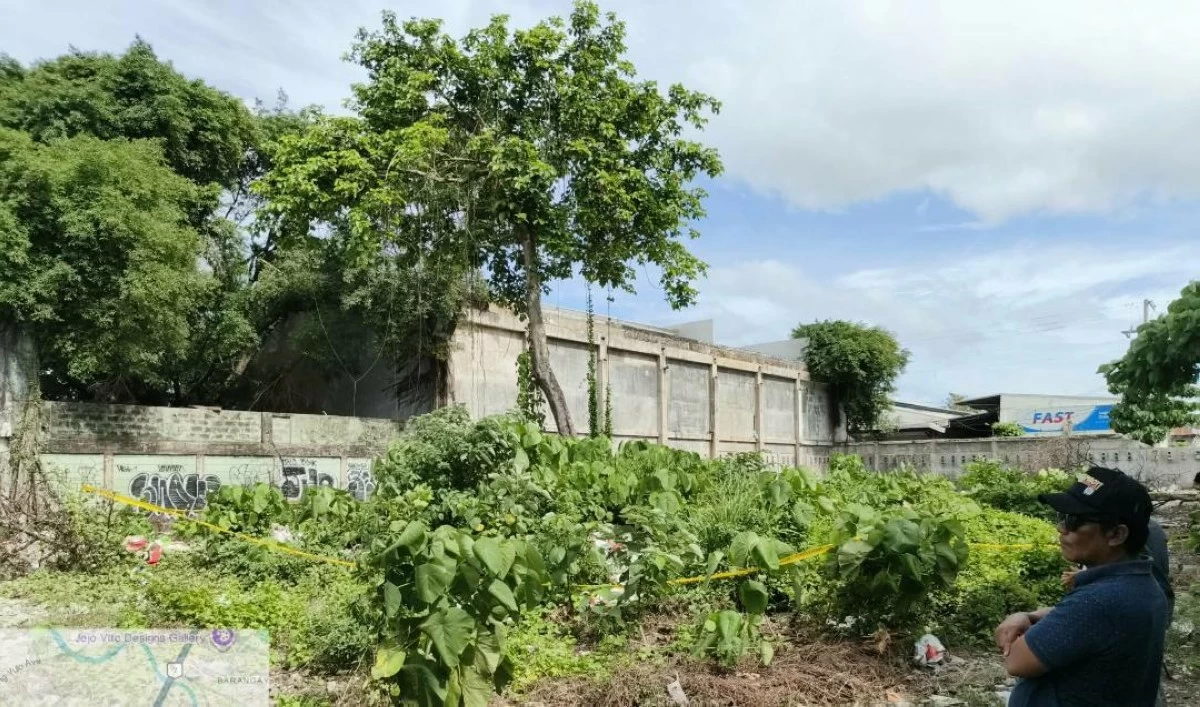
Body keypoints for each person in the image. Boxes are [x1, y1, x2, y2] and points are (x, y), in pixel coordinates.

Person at [994, 467, 1168, 706]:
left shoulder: (1098, 602)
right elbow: (1084, 620)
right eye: (1062, 517)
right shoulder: (1140, 584)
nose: (1061, 528)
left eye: (1075, 520)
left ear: (1116, 534)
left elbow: (1017, 660)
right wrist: (1028, 615)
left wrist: (1015, 623)